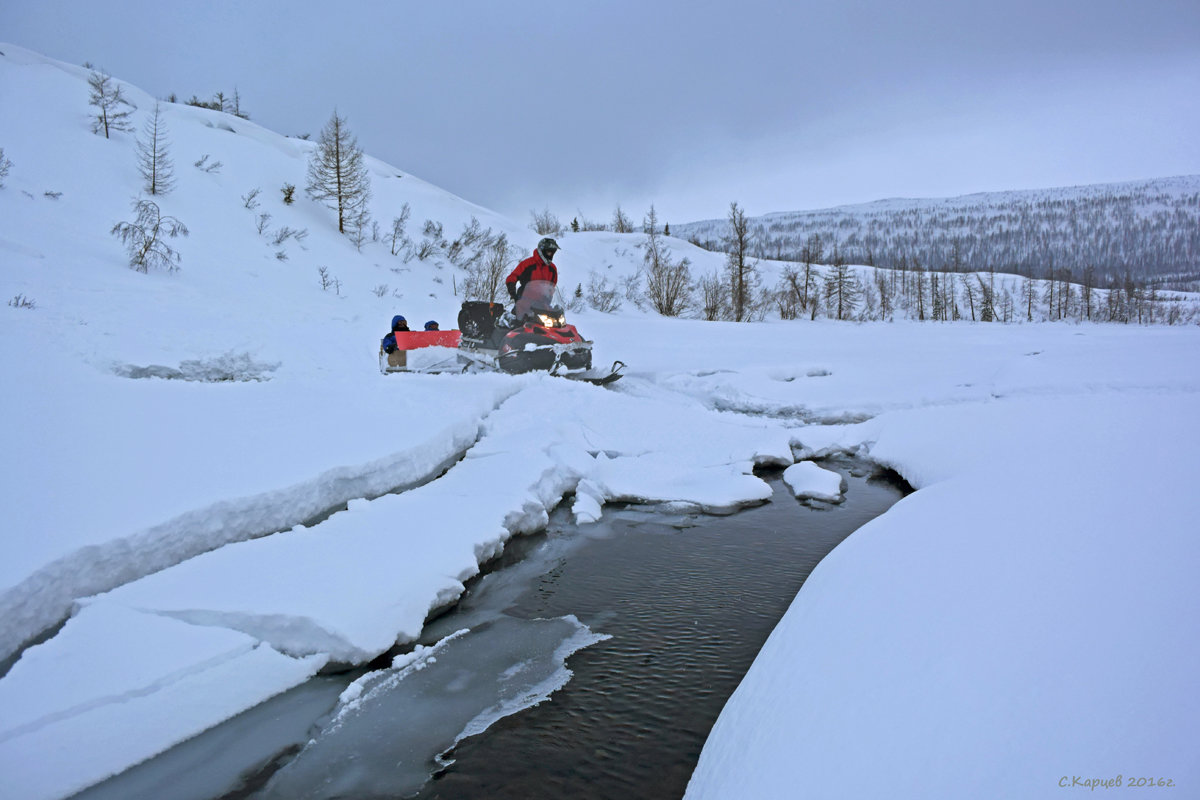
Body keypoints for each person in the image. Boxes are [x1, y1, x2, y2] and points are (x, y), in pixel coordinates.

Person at [505, 237, 560, 322]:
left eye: (552, 253)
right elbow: (512, 277)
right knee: (517, 324)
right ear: (542, 251)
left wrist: (549, 298)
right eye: (549, 252)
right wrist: (512, 290)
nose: (551, 255)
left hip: (542, 305)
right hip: (524, 302)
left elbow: (552, 286)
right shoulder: (527, 264)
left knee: (556, 324)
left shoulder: (552, 269)